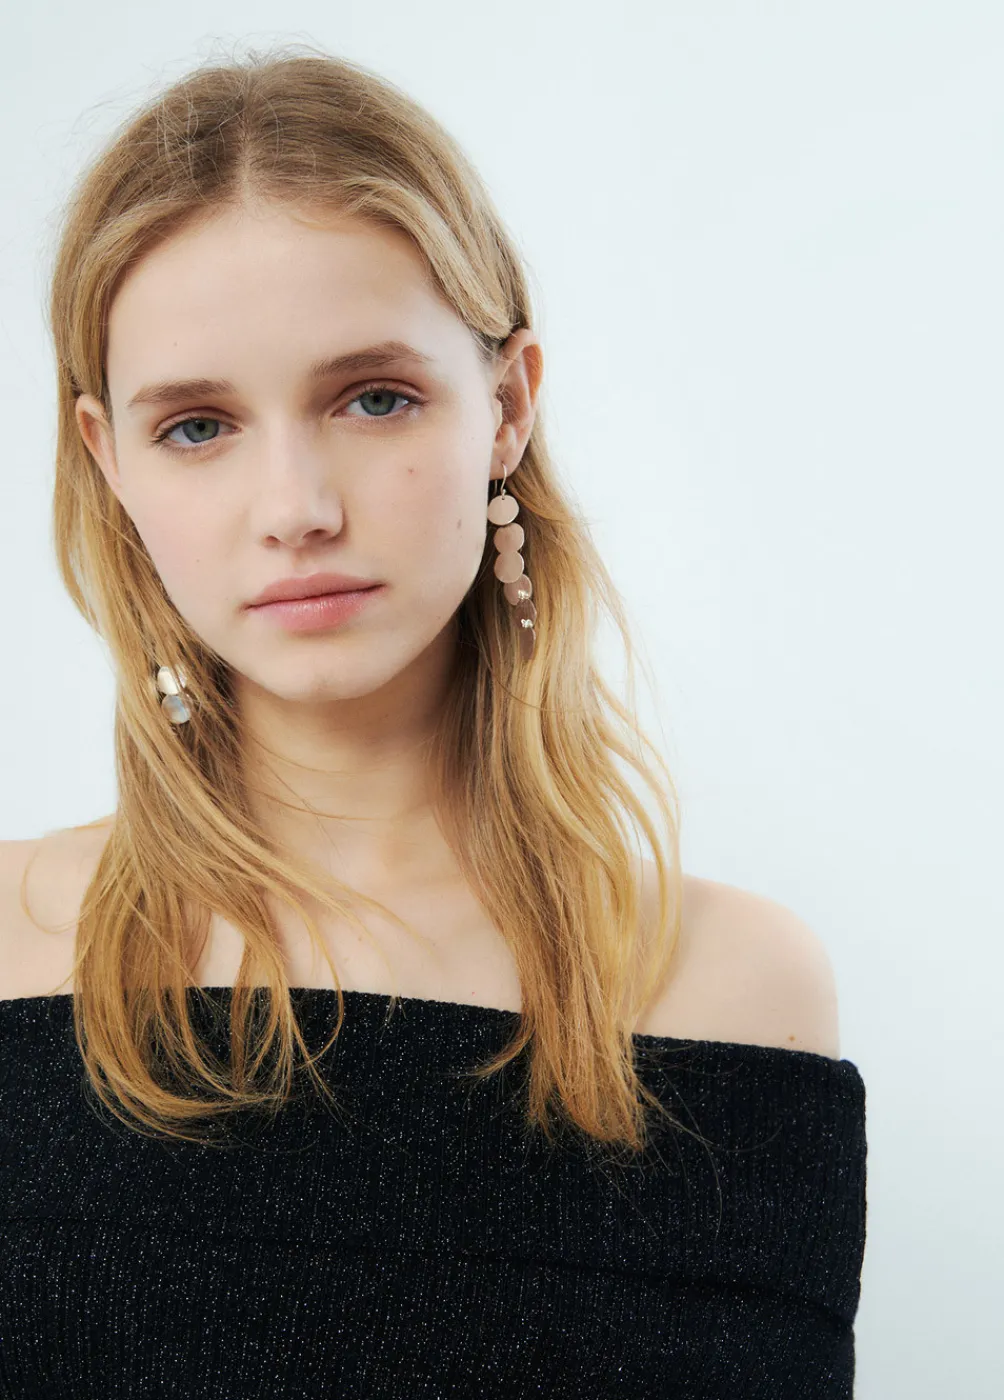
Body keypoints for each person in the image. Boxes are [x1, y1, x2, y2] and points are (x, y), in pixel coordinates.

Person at [0, 46, 867, 1398]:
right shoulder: (14, 942)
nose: (295, 508)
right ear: (109, 460)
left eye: (374, 399)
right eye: (199, 427)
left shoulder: (733, 989)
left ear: (507, 406)